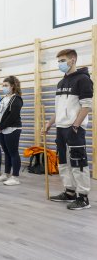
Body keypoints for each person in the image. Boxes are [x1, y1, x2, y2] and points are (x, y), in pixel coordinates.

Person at [43, 49, 93, 210]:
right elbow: (59, 110)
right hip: (60, 128)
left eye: (62, 60)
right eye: (58, 61)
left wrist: (76, 125)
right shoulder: (61, 83)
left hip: (74, 128)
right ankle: (69, 191)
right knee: (63, 161)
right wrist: (49, 124)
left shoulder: (83, 80)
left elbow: (86, 106)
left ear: (73, 60)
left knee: (78, 162)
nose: (60, 64)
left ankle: (83, 197)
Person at [0, 76, 23, 185]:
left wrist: (0, 126)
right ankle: (6, 174)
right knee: (6, 152)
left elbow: (12, 117)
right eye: (3, 85)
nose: (3, 87)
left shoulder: (17, 99)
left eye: (6, 85)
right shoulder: (3, 98)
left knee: (13, 152)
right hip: (1, 129)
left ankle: (15, 177)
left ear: (13, 86)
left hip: (12, 129)